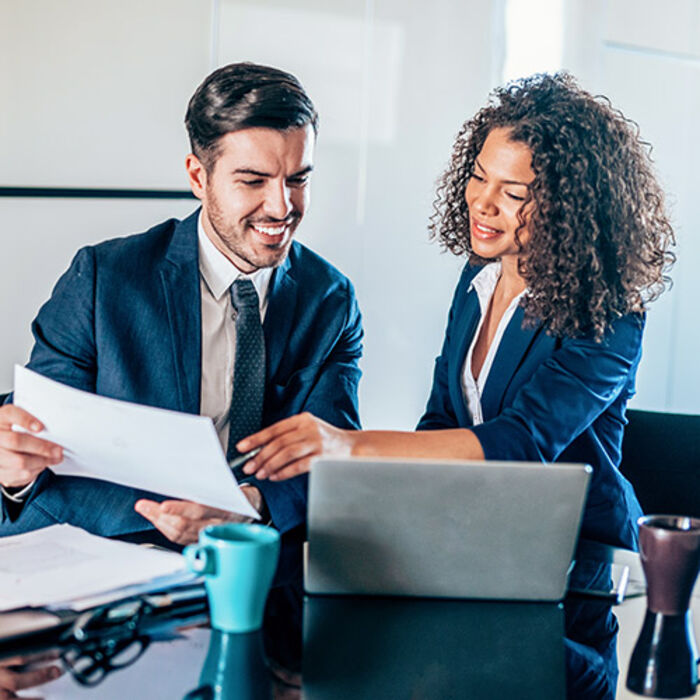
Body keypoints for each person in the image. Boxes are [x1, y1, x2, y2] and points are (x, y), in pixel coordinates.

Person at [238, 73, 675, 697]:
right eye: (478, 176)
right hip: (479, 551)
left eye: (514, 191)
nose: (483, 202)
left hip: (573, 584)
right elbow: (445, 422)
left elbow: (521, 442)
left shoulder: (608, 311)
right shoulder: (477, 280)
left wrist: (346, 446)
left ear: (571, 205)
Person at [0, 62, 363, 668]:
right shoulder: (104, 278)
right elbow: (41, 435)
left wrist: (248, 503)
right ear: (198, 176)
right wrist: (13, 466)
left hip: (252, 589)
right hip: (94, 586)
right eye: (254, 181)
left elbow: (330, 458)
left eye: (298, 179)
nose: (283, 206)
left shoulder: (331, 299)